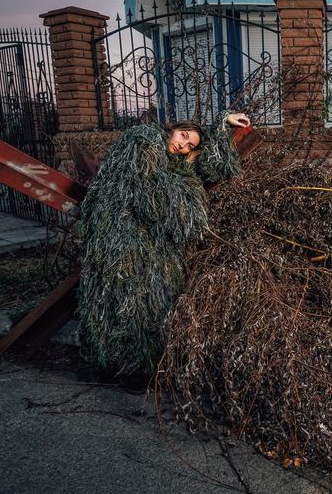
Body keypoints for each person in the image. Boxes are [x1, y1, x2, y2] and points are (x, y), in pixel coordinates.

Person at [77, 112, 250, 375]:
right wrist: (186, 177)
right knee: (128, 294)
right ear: (173, 128)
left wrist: (224, 124)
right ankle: (126, 365)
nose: (183, 145)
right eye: (183, 136)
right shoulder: (144, 138)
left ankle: (137, 365)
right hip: (119, 230)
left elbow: (218, 169)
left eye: (190, 145)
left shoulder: (170, 162)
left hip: (146, 235)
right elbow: (156, 194)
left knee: (157, 292)